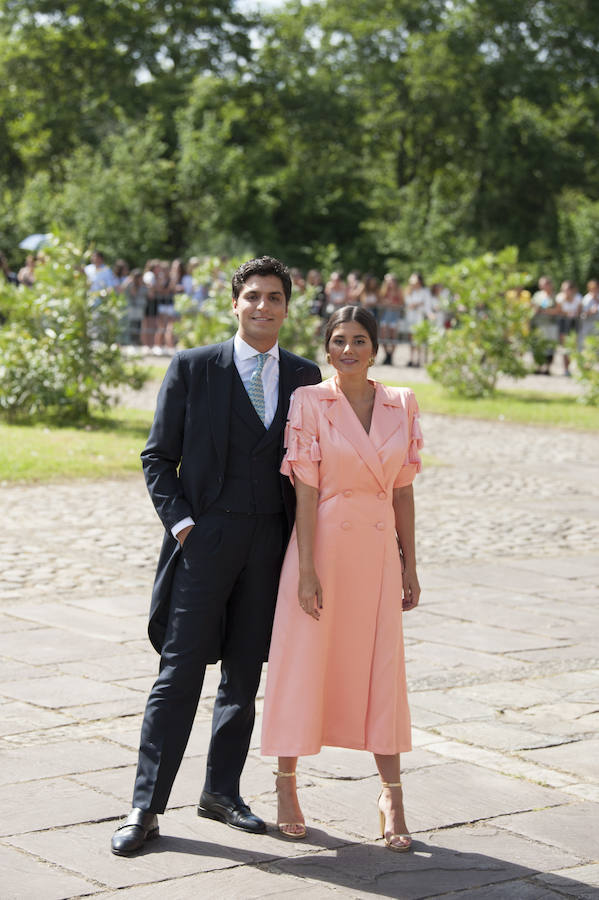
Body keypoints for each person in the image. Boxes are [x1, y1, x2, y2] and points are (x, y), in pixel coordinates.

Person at [110, 256, 321, 856]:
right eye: (252, 296)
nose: (263, 306)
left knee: (244, 674)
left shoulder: (307, 379)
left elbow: (317, 466)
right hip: (204, 541)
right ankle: (145, 807)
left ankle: (221, 792)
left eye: (274, 297)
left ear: (286, 306)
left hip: (271, 544)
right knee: (177, 674)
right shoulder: (194, 366)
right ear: (235, 304)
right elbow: (157, 457)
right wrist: (183, 528)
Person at [261, 305, 422, 852]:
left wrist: (410, 564)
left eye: (358, 340)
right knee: (302, 663)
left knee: (382, 670)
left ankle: (391, 796)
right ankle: (286, 786)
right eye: (337, 341)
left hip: (376, 553)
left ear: (375, 347)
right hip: (323, 549)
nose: (347, 350)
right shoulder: (309, 400)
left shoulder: (402, 403)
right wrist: (305, 569)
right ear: (326, 348)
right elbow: (304, 488)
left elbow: (402, 490)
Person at [404, 273, 432, 367]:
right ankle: (411, 359)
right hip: (411, 318)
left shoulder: (425, 291)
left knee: (419, 339)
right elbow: (409, 304)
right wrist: (418, 304)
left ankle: (419, 359)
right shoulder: (409, 291)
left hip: (420, 318)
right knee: (411, 339)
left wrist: (417, 305)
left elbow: (427, 305)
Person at [556, 280, 582, 375]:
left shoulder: (578, 298)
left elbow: (579, 311)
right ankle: (566, 368)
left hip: (575, 323)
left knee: (574, 346)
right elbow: (559, 311)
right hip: (563, 323)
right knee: (564, 346)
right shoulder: (560, 298)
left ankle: (576, 367)